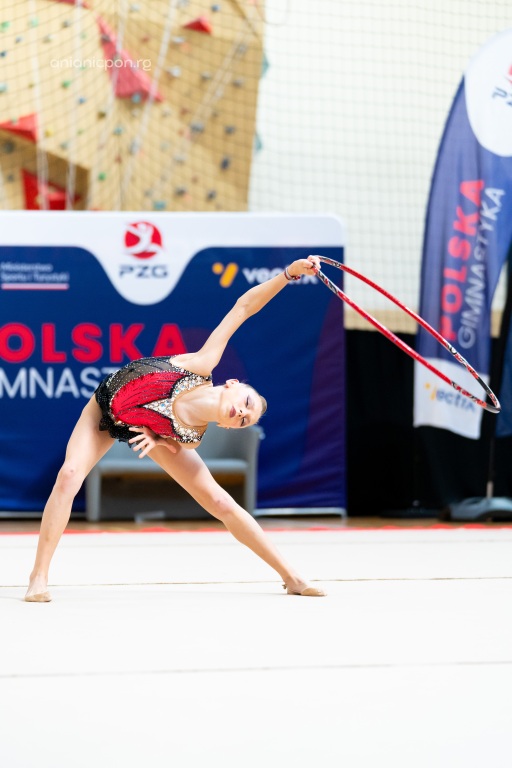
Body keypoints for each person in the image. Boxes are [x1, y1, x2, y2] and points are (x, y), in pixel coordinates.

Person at [25, 256, 326, 602]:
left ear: (229, 427)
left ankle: (291, 576)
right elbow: (244, 307)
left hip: (141, 426)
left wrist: (155, 436)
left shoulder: (189, 438)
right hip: (104, 407)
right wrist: (288, 274)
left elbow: (166, 438)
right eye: (246, 402)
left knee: (220, 500)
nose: (241, 412)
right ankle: (38, 576)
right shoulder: (201, 364)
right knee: (69, 476)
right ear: (231, 383)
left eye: (244, 419)